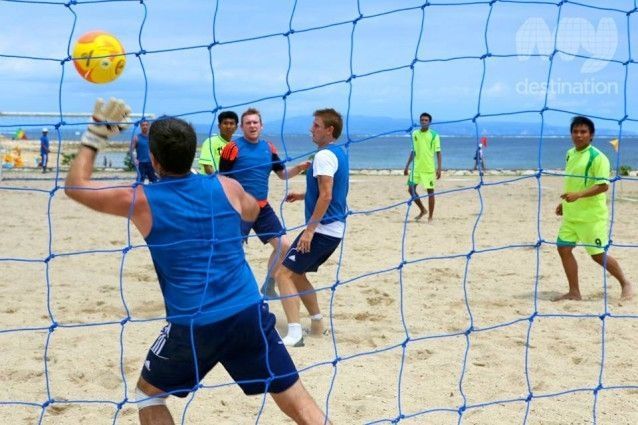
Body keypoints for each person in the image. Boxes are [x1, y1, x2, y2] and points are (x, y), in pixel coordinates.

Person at [64, 98, 330, 425]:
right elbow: (250, 210)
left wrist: (96, 134)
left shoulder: (142, 200)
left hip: (195, 325)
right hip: (247, 312)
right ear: (193, 153)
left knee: (149, 393)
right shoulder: (226, 186)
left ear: (153, 158)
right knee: (299, 402)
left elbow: (76, 186)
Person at [219, 108, 310, 298]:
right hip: (238, 208)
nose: (252, 125)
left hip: (262, 207)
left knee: (284, 246)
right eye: (248, 123)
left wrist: (299, 168)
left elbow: (282, 174)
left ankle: (269, 285)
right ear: (241, 127)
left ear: (261, 125)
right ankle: (229, 290)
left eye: (255, 122)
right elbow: (222, 179)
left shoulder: (268, 148)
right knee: (231, 251)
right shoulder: (232, 148)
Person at [276, 109, 349, 347]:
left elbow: (327, 196)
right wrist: (305, 196)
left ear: (330, 130)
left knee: (283, 274)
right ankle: (317, 323)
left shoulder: (324, 156)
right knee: (296, 273)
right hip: (333, 229)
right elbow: (329, 192)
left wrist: (309, 231)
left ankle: (295, 334)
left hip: (322, 230)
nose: (311, 129)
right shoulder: (340, 152)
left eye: (317, 125)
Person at [554, 115, 634, 302]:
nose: (579, 135)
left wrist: (578, 195)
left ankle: (625, 283)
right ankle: (574, 292)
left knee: (597, 255)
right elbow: (573, 182)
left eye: (583, 132)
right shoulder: (570, 153)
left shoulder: (598, 157)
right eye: (575, 131)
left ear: (591, 135)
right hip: (572, 216)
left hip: (591, 217)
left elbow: (603, 186)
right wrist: (564, 203)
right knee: (563, 248)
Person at [404, 112, 442, 222]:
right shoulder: (415, 133)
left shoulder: (435, 135)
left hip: (429, 169)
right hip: (416, 168)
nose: (424, 122)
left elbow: (438, 152)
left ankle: (430, 216)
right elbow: (413, 151)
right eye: (422, 120)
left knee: (430, 192)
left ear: (429, 122)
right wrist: (407, 166)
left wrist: (439, 168)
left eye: (426, 120)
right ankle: (422, 210)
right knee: (411, 190)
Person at [131, 118, 157, 183]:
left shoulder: (153, 137)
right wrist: (134, 159)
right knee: (140, 182)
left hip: (151, 163)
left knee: (154, 181)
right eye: (143, 125)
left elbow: (157, 149)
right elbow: (131, 150)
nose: (145, 126)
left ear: (149, 126)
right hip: (141, 163)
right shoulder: (136, 138)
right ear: (140, 126)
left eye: (146, 125)